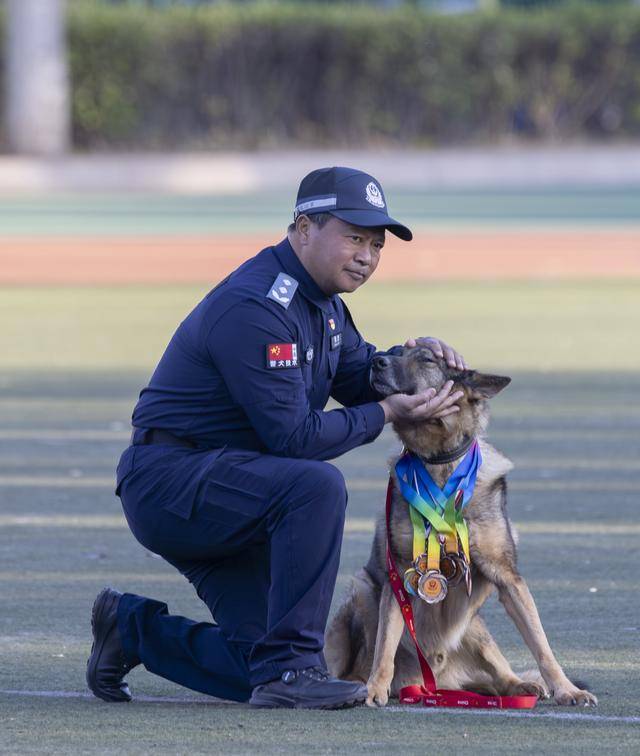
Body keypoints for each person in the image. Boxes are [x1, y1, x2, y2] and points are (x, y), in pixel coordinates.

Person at [86, 166, 466, 709]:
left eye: (377, 245)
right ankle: (293, 674)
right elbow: (294, 438)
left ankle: (131, 629)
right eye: (354, 237)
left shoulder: (326, 306)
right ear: (303, 228)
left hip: (235, 492)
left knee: (257, 664)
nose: (367, 256)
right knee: (316, 486)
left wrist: (418, 363)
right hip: (172, 484)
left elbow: (362, 377)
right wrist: (385, 411)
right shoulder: (257, 306)